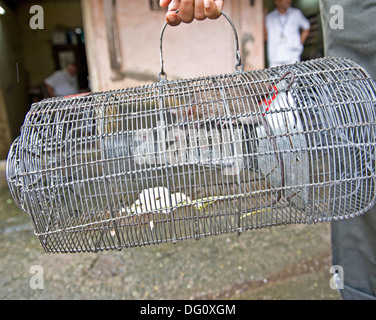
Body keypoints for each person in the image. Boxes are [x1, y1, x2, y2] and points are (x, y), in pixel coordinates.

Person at [161, 0, 376, 300]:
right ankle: (358, 288)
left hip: (302, 66)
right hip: (296, 68)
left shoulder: (302, 18)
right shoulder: (275, 19)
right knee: (355, 175)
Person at [264, 0, 310, 67]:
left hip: (293, 59)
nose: (288, 1)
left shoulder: (296, 13)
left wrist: (300, 43)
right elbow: (265, 37)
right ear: (277, 1)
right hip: (275, 60)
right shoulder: (269, 17)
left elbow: (306, 27)